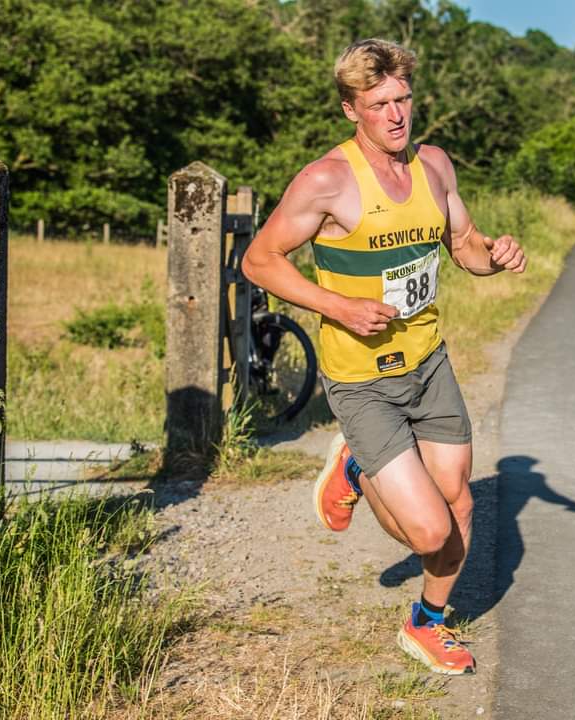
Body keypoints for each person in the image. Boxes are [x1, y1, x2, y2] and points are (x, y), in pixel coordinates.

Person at [241, 37, 526, 675]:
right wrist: (335, 306)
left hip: (429, 363)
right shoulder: (327, 180)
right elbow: (258, 260)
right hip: (362, 377)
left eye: (403, 98)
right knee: (429, 534)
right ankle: (357, 467)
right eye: (379, 104)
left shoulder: (435, 167)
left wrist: (496, 256)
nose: (396, 114)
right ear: (352, 110)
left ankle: (425, 625)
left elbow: (466, 247)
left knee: (461, 507)